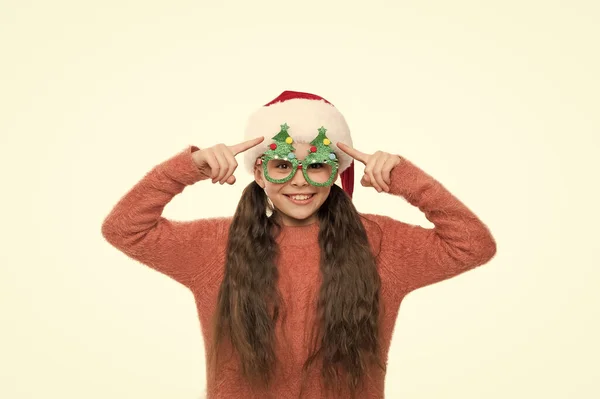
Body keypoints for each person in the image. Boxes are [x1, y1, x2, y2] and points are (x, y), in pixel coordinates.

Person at [101, 90, 497, 398]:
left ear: (335, 172)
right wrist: (187, 170)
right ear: (258, 171)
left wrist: (404, 178)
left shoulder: (379, 243)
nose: (300, 180)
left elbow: (473, 245)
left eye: (316, 165)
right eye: (282, 164)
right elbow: (125, 229)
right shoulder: (215, 246)